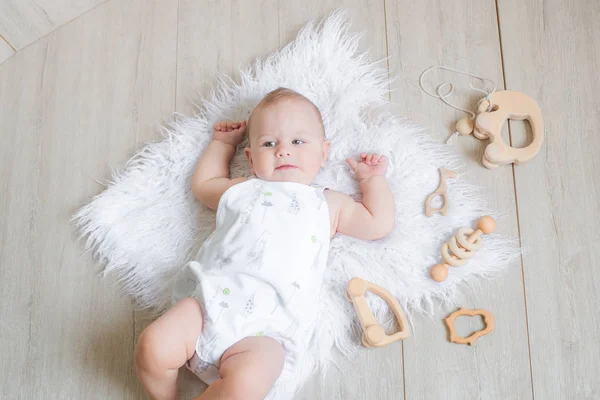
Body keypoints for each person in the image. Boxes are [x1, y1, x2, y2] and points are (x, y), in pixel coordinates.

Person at [134, 87, 395, 400]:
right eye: (269, 143)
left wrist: (372, 180)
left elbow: (377, 223)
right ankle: (164, 396)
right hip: (210, 303)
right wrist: (221, 144)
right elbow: (204, 186)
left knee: (245, 386)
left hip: (269, 329)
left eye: (298, 141)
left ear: (323, 152)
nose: (283, 150)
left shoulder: (327, 203)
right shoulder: (244, 189)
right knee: (153, 346)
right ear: (251, 157)